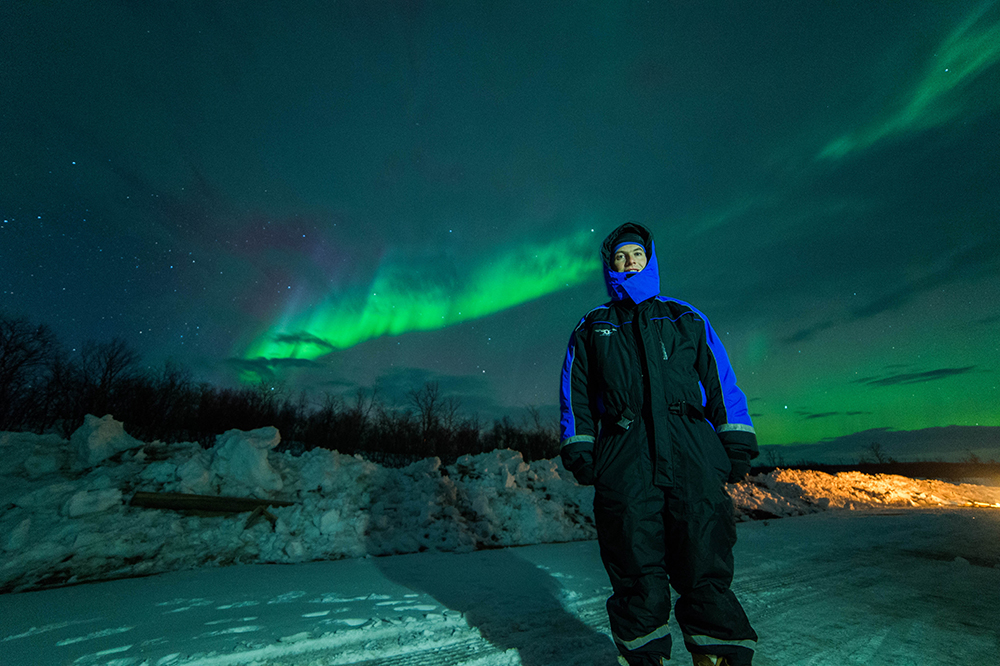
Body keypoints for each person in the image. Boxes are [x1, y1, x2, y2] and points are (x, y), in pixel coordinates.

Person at [559, 222, 758, 666]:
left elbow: (721, 382)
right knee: (634, 561)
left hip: (691, 450)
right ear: (609, 267)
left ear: (650, 260)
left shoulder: (686, 317)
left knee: (704, 554)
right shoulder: (593, 326)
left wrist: (736, 440)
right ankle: (646, 658)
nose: (629, 262)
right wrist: (580, 444)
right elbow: (575, 392)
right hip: (625, 455)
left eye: (636, 254)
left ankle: (718, 655)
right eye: (620, 257)